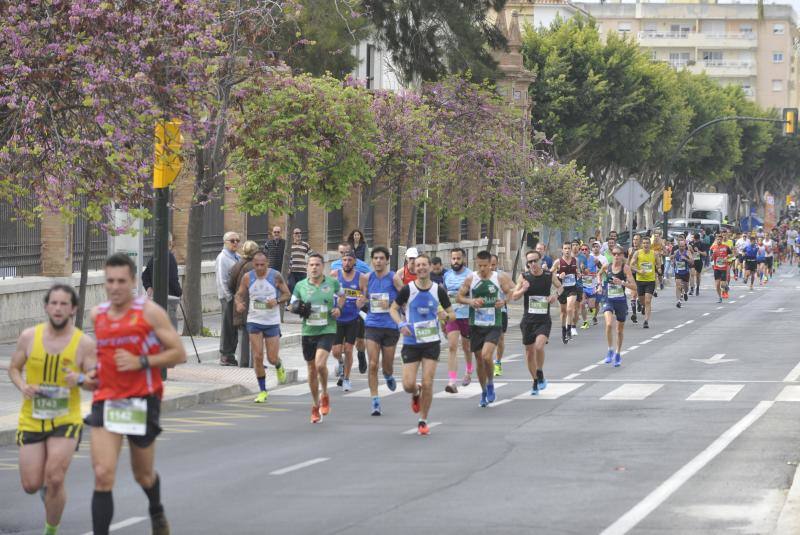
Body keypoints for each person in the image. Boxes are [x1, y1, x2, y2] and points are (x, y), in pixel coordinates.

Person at [87, 253, 186, 535]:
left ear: (132, 281)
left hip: (142, 399)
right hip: (107, 399)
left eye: (121, 281)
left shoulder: (149, 312)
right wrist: (94, 373)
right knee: (103, 473)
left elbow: (178, 354)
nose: (115, 287)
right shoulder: (98, 315)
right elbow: (103, 355)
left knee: (142, 474)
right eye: (110, 281)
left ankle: (156, 510)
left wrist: (141, 362)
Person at [10, 284, 97, 535]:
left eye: (64, 304)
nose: (58, 309)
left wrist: (79, 379)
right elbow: (14, 368)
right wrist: (23, 385)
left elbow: (96, 381)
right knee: (31, 484)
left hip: (65, 419)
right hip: (32, 418)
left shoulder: (84, 343)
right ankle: (50, 494)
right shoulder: (29, 337)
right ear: (47, 306)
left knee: (55, 477)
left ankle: (51, 530)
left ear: (73, 309)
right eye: (54, 303)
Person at [390, 254, 455, 435]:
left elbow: (452, 314)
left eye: (424, 265)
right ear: (414, 268)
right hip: (411, 342)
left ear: (430, 267)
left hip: (431, 342)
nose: (421, 268)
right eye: (417, 265)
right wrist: (401, 324)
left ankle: (423, 420)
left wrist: (446, 317)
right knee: (407, 385)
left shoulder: (438, 290)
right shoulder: (407, 290)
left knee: (428, 382)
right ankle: (415, 392)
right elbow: (393, 309)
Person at [289, 253, 344, 423]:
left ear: (323, 267)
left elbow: (342, 296)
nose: (314, 267)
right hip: (308, 331)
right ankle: (315, 404)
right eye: (311, 265)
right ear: (307, 267)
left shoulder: (332, 283)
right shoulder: (300, 286)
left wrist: (338, 309)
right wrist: (297, 308)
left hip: (327, 328)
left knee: (320, 364)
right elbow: (291, 305)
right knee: (312, 369)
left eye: (317, 264)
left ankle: (325, 393)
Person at [457, 250, 515, 408]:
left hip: (493, 324)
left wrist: (504, 302)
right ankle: (484, 391)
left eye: (485, 265)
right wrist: (471, 301)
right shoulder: (471, 278)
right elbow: (459, 297)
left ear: (491, 264)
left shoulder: (499, 278)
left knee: (486, 355)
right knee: (479, 361)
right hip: (475, 325)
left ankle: (490, 383)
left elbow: (511, 291)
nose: (482, 269)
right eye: (479, 265)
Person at [235, 251, 290, 403]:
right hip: (254, 321)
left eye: (262, 265)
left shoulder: (275, 276)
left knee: (272, 358)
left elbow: (287, 294)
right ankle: (262, 391)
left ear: (267, 264)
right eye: (257, 265)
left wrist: (277, 300)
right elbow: (239, 294)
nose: (259, 268)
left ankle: (279, 365)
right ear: (253, 264)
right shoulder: (248, 277)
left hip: (271, 322)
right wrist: (239, 303)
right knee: (258, 357)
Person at [511, 250, 562, 395]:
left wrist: (555, 296)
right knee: (529, 352)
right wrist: (523, 289)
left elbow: (561, 287)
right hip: (528, 321)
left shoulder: (548, 275)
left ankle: (539, 372)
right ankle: (535, 381)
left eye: (535, 261)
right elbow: (514, 296)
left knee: (539, 347)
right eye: (530, 262)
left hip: (543, 320)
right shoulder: (524, 277)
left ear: (541, 260)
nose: (533, 264)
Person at [361, 246, 402, 416]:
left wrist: (399, 308)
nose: (378, 261)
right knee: (372, 364)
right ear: (372, 260)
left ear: (387, 260)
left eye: (381, 258)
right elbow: (364, 297)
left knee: (387, 366)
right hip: (372, 324)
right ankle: (375, 400)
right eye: (375, 258)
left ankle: (388, 375)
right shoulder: (366, 278)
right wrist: (361, 301)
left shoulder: (394, 278)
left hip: (391, 326)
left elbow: (405, 295)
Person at [330, 251, 363, 392]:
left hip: (353, 318)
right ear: (341, 261)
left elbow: (366, 294)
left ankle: (347, 379)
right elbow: (326, 290)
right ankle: (341, 363)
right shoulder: (334, 275)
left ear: (354, 262)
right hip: (338, 318)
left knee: (349, 349)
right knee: (336, 351)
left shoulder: (360, 277)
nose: (347, 263)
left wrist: (363, 300)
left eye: (350, 260)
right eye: (344, 260)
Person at [599, 246, 637, 367]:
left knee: (619, 330)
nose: (616, 256)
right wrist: (599, 285)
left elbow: (634, 287)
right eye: (614, 254)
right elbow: (599, 274)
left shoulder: (625, 269)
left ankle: (618, 353)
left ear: (622, 256)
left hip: (620, 301)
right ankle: (610, 349)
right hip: (609, 299)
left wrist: (622, 283)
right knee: (609, 324)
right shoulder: (607, 266)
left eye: (619, 254)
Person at [443, 248, 473, 392]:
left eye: (458, 258)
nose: (455, 261)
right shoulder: (447, 275)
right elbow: (444, 296)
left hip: (467, 315)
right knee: (452, 346)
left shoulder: (470, 275)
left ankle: (468, 371)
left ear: (464, 259)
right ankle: (452, 381)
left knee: (466, 347)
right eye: (453, 259)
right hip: (452, 316)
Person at [228, 240, 259, 368]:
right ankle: (255, 363)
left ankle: (243, 363)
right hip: (253, 304)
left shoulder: (237, 265)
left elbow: (230, 285)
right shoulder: (257, 266)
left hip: (240, 304)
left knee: (243, 335)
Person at [215, 231, 241, 366]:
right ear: (225, 242)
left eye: (237, 240)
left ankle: (231, 353)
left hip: (237, 297)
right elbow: (221, 279)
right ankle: (225, 355)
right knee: (228, 326)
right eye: (232, 241)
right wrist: (229, 297)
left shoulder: (237, 256)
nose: (235, 243)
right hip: (228, 297)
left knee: (234, 325)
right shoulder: (222, 258)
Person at [630, 236, 661, 329]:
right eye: (644, 243)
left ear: (650, 244)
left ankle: (646, 321)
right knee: (643, 301)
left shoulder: (654, 254)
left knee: (648, 301)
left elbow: (658, 264)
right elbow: (631, 265)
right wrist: (639, 271)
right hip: (640, 280)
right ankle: (641, 304)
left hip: (650, 280)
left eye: (647, 243)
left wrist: (659, 269)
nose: (645, 245)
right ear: (641, 244)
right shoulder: (637, 253)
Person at [551, 242, 579, 343]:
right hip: (562, 289)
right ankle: (563, 330)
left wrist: (579, 273)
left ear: (571, 250)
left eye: (568, 248)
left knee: (570, 308)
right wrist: (559, 276)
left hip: (572, 288)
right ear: (562, 250)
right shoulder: (558, 262)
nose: (567, 250)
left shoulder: (575, 260)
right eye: (565, 248)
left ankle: (568, 329)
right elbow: (550, 274)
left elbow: (577, 271)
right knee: (563, 313)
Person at [141, 233, 182, 299]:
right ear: (170, 242)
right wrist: (179, 292)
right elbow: (173, 279)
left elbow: (144, 275)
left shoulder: (155, 257)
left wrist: (148, 287)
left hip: (155, 297)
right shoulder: (170, 258)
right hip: (168, 298)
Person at [490, 254, 509, 376]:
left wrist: (504, 301)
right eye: (489, 264)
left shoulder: (502, 276)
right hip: (484, 313)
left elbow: (512, 291)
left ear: (497, 264)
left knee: (500, 338)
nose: (491, 267)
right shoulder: (478, 277)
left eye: (493, 264)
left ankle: (497, 362)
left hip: (500, 312)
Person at [288, 228, 313, 293]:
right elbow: (286, 258)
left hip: (302, 271)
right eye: (296, 233)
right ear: (293, 235)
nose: (298, 234)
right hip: (292, 271)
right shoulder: (289, 245)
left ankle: (301, 303)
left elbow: (312, 256)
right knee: (291, 286)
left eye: (300, 233)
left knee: (302, 289)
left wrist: (309, 266)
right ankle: (292, 302)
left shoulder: (306, 245)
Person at [710, 234, 733, 303]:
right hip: (716, 268)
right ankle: (720, 297)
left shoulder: (726, 247)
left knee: (722, 284)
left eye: (720, 239)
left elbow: (732, 254)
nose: (719, 240)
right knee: (717, 285)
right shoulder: (713, 248)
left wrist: (727, 257)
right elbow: (711, 259)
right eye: (718, 239)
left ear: (722, 240)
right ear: (716, 240)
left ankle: (726, 287)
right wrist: (713, 254)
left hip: (723, 268)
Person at [671, 238, 693, 308]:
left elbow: (692, 262)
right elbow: (672, 258)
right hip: (678, 272)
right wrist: (673, 262)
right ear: (678, 246)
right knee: (678, 286)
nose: (681, 248)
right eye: (680, 246)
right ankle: (678, 301)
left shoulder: (687, 252)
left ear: (685, 246)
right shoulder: (675, 252)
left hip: (686, 273)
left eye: (683, 246)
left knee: (686, 287)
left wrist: (686, 259)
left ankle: (685, 293)